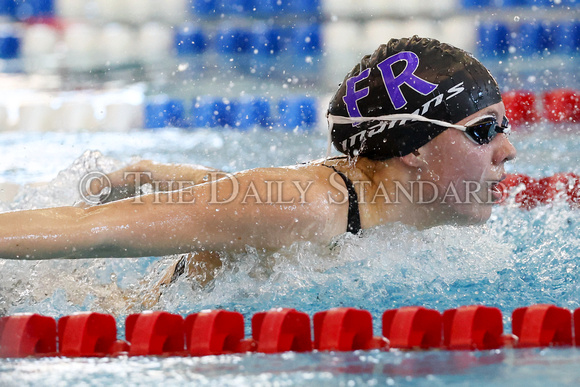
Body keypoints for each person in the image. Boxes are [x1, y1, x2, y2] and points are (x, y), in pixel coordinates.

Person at [0, 37, 516, 272]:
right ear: (412, 148)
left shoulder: (359, 207)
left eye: (506, 124)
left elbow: (252, 208)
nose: (508, 151)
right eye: (486, 130)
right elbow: (92, 230)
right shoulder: (311, 204)